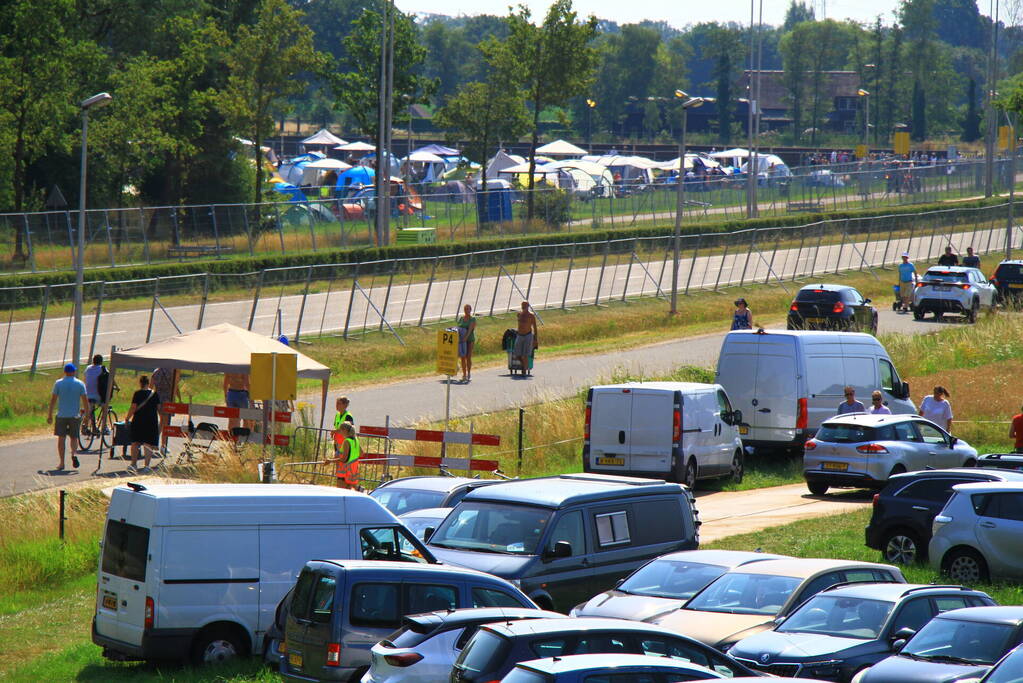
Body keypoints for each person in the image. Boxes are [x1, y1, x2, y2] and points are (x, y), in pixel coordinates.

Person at [47, 363, 88, 471]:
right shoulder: (80, 384)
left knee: (61, 438)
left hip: (62, 415)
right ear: (74, 372)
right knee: (74, 437)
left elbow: (53, 400)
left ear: (65, 372)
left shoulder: (58, 383)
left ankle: (62, 463)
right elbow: (85, 401)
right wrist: (87, 416)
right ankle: (74, 454)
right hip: (74, 415)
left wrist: (50, 414)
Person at [124, 375, 161, 472]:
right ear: (148, 383)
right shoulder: (154, 394)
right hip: (151, 421)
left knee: (135, 442)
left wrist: (127, 418)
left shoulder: (137, 393)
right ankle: (146, 466)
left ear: (140, 383)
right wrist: (161, 420)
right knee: (148, 444)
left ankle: (133, 464)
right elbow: (159, 409)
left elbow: (133, 407)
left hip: (138, 420)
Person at [151, 366, 180, 452]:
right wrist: (179, 398)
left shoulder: (156, 371)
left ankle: (154, 442)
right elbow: (175, 387)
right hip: (168, 399)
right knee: (166, 423)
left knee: (161, 422)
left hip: (157, 399)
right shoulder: (173, 372)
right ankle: (163, 446)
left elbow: (151, 387)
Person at [332, 421, 361, 489]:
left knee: (341, 491)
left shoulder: (346, 441)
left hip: (344, 470)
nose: (339, 432)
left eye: (340, 430)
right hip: (353, 469)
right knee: (348, 490)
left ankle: (359, 489)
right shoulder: (356, 440)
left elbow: (344, 459)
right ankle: (358, 489)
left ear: (344, 430)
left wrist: (330, 460)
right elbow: (362, 453)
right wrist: (353, 457)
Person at [83, 355, 107, 435]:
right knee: (105, 407)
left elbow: (85, 379)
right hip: (98, 395)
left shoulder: (88, 368)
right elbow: (109, 378)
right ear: (101, 361)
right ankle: (104, 426)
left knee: (90, 409)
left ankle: (87, 426)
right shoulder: (103, 368)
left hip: (87, 394)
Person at [515, 301, 537, 376]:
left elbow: (535, 327)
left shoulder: (531, 315)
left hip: (528, 336)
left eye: (524, 306)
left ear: (528, 306)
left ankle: (524, 369)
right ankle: (524, 365)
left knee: (525, 355)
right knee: (517, 354)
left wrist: (535, 339)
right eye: (522, 306)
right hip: (519, 335)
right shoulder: (519, 314)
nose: (523, 307)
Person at [457, 304, 477, 383]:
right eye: (465, 309)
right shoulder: (461, 318)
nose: (467, 310)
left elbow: (470, 330)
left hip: (469, 339)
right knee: (462, 356)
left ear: (470, 310)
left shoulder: (472, 319)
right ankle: (464, 374)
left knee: (468, 356)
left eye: (468, 309)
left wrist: (465, 337)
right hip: (462, 340)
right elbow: (459, 327)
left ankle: (469, 373)